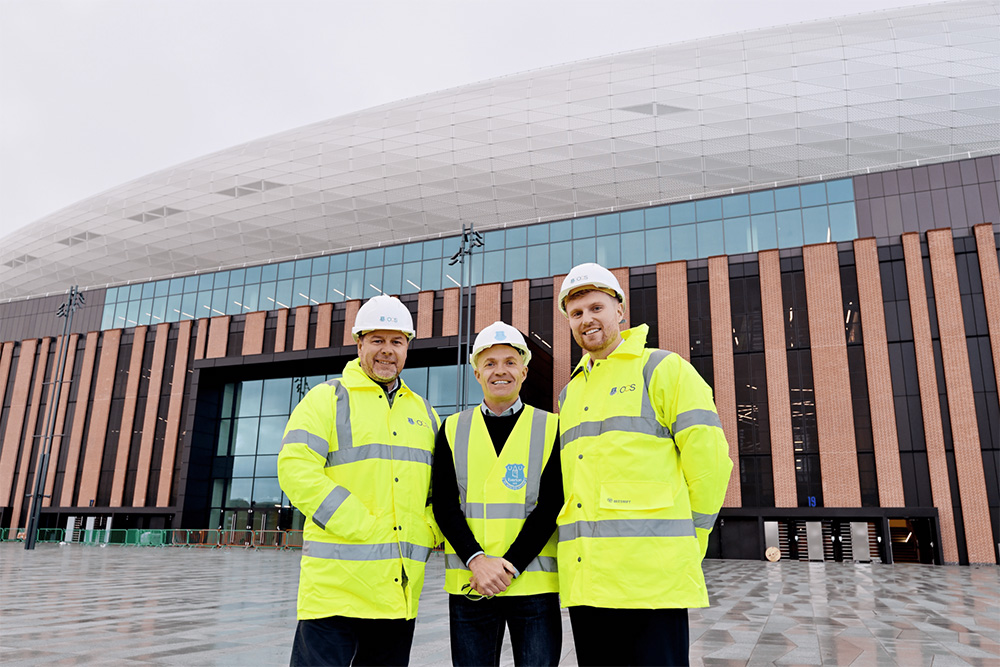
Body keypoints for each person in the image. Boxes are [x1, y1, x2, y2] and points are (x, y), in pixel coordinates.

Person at [555, 263, 733, 667]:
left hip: (651, 581)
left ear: (620, 310)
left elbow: (710, 463)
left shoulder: (663, 369)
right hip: (590, 583)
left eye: (596, 307)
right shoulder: (571, 392)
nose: (587, 320)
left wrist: (695, 536)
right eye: (576, 313)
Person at [278, 294, 442, 667]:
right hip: (335, 589)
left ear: (408, 348)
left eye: (397, 341)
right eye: (377, 340)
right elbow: (295, 467)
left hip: (397, 592)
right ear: (359, 344)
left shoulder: (425, 413)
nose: (387, 351)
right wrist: (357, 522)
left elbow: (440, 488)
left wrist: (429, 529)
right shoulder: (327, 399)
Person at [432, 321, 563, 667]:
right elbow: (444, 505)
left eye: (509, 362)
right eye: (490, 363)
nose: (499, 371)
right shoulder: (452, 428)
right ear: (476, 373)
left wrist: (508, 567)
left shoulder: (551, 427)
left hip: (533, 585)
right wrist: (477, 560)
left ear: (524, 370)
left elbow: (552, 506)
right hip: (471, 583)